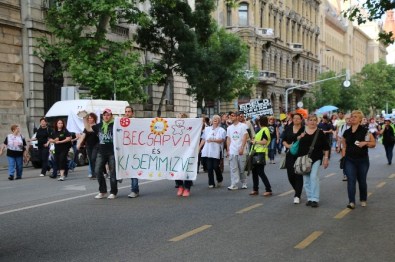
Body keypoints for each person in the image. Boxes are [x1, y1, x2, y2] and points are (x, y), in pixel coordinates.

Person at [341, 110, 376, 209]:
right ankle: (351, 201)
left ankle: (363, 199)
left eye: (355, 117)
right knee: (351, 180)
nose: (352, 118)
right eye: (352, 116)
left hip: (362, 160)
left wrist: (365, 143)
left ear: (360, 120)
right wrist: (343, 157)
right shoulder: (346, 132)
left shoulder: (365, 131)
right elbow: (344, 146)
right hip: (349, 160)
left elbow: (373, 144)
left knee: (362, 180)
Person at [83, 108, 118, 199]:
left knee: (112, 172)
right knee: (97, 170)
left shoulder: (115, 124)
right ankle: (102, 191)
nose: (106, 116)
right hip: (101, 152)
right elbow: (88, 128)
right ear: (102, 116)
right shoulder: (99, 125)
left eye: (108, 115)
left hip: (112, 152)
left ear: (111, 116)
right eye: (104, 115)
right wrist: (84, 117)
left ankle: (113, 192)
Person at [297, 114, 330, 208]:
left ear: (317, 121)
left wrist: (326, 159)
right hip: (303, 159)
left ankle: (315, 199)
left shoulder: (320, 133)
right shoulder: (302, 130)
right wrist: (299, 137)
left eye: (314, 120)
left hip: (316, 158)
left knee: (313, 177)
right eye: (310, 120)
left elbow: (326, 147)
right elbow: (294, 141)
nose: (312, 122)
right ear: (307, 121)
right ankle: (310, 198)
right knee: (306, 179)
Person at [282, 113, 305, 204]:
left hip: (300, 154)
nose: (296, 120)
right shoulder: (288, 128)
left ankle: (297, 195)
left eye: (298, 118)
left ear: (301, 120)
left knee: (298, 174)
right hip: (290, 154)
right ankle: (297, 189)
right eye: (294, 118)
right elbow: (283, 140)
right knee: (290, 174)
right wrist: (288, 145)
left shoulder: (304, 129)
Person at [199, 115, 226, 188]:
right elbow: (203, 139)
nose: (215, 120)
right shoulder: (207, 129)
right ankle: (211, 183)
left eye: (217, 119)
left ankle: (219, 179)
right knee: (209, 167)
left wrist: (213, 140)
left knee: (215, 166)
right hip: (208, 151)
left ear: (219, 121)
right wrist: (199, 148)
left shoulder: (222, 130)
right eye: (214, 118)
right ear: (211, 120)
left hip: (217, 151)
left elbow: (222, 140)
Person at [249, 116, 272, 196]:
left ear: (259, 122)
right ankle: (255, 189)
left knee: (260, 172)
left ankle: (268, 189)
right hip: (255, 152)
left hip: (260, 153)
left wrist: (255, 141)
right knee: (254, 172)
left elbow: (264, 142)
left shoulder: (265, 130)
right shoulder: (261, 130)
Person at [226, 111, 249, 190]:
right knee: (233, 168)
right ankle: (234, 184)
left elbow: (245, 137)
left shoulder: (243, 126)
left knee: (242, 168)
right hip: (232, 150)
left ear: (237, 117)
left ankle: (244, 182)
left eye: (232, 116)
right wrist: (228, 149)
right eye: (230, 116)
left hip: (241, 150)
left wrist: (242, 147)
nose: (231, 117)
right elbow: (228, 139)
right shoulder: (229, 128)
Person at [175, 112, 193, 196]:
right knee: (176, 169)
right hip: (177, 152)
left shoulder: (190, 128)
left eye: (182, 118)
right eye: (178, 118)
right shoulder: (174, 129)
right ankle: (180, 186)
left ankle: (187, 187)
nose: (180, 120)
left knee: (187, 169)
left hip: (188, 152)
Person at [124, 106, 140, 198]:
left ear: (132, 113)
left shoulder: (136, 122)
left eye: (129, 111)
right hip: (124, 150)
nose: (127, 113)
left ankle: (134, 190)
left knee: (134, 170)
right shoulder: (121, 123)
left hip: (135, 150)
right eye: (126, 111)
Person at [78, 112, 99, 179]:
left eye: (91, 118)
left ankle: (98, 172)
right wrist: (79, 143)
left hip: (96, 145)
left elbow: (89, 130)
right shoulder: (86, 128)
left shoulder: (96, 126)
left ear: (94, 119)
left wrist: (84, 118)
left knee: (93, 158)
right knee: (91, 160)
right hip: (89, 146)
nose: (90, 119)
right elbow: (83, 136)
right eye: (89, 118)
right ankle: (93, 174)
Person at [337, 114, 351, 181]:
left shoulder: (355, 127)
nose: (348, 120)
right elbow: (339, 137)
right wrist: (338, 146)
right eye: (347, 118)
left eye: (349, 118)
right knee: (345, 161)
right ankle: (345, 174)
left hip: (353, 148)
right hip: (344, 148)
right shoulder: (342, 127)